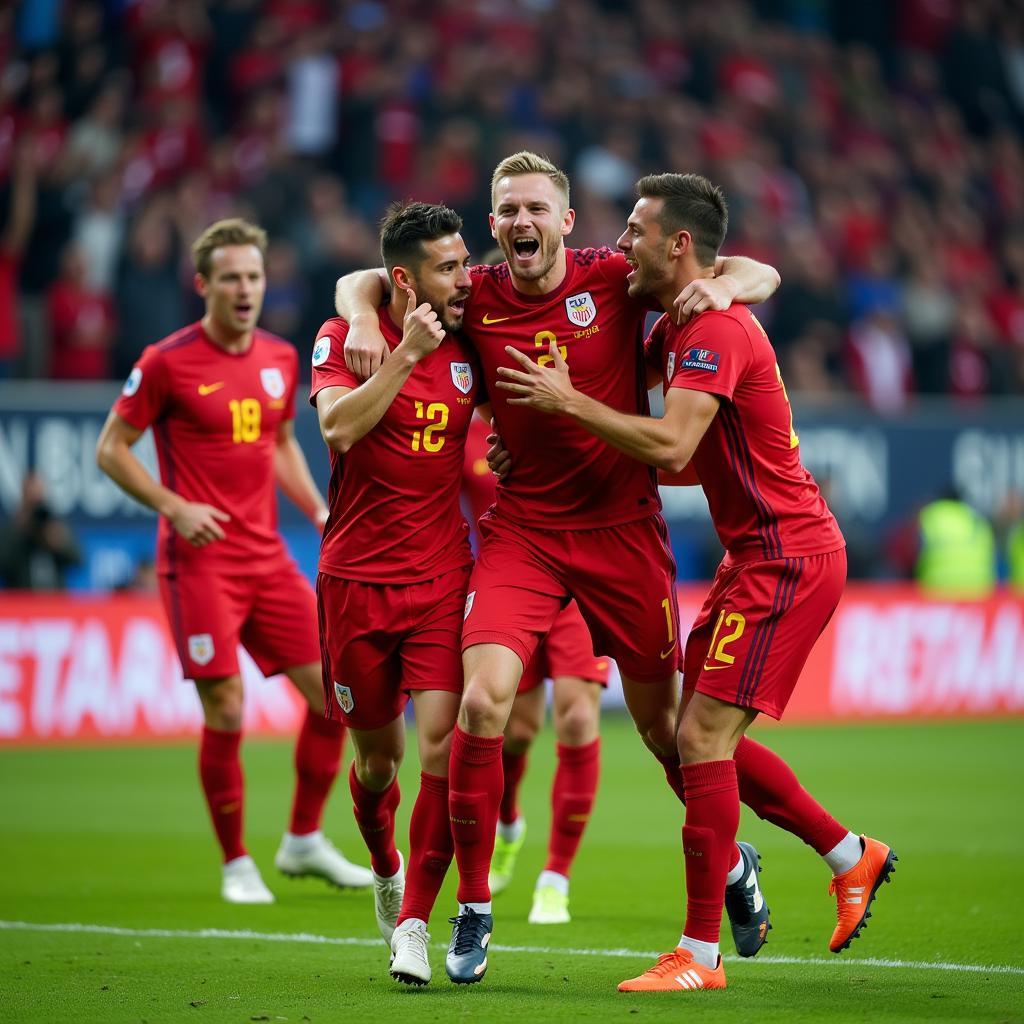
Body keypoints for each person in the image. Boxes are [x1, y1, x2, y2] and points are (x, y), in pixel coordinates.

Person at [335, 151, 781, 984]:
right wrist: (362, 316)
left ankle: (731, 866)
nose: (520, 224)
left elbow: (751, 266)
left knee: (665, 734)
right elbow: (375, 277)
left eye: (535, 208)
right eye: (505, 212)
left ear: (567, 222)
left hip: (622, 534)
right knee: (482, 700)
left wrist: (730, 286)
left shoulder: (615, 277)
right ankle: (473, 910)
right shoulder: (475, 295)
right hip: (526, 532)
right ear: (494, 223)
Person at [496, 172, 896, 993]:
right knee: (691, 737)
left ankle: (700, 956)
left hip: (787, 556)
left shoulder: (713, 329)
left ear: (678, 244)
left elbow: (674, 450)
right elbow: (678, 448)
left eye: (638, 230)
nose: (623, 243)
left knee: (704, 740)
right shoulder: (681, 324)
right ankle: (850, 855)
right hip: (757, 554)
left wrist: (568, 404)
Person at [95, 217, 371, 904]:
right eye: (231, 279)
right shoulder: (166, 361)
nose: (246, 289)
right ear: (204, 285)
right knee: (228, 706)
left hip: (267, 557)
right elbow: (111, 449)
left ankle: (303, 838)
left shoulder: (280, 357)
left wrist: (317, 509)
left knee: (337, 700)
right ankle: (235, 862)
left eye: (253, 276)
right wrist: (173, 506)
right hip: (200, 563)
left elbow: (280, 445)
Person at [312, 201, 495, 987]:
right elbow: (337, 431)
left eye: (463, 263)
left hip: (441, 577)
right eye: (449, 268)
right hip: (354, 580)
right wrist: (393, 349)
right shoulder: (343, 338)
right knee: (379, 764)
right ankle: (384, 861)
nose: (465, 279)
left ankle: (416, 920)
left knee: (441, 750)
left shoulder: (469, 337)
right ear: (403, 280)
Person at [463, 415, 609, 926]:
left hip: (580, 577)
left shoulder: (564, 402)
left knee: (575, 718)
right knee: (516, 731)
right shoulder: (462, 423)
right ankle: (508, 825)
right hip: (511, 583)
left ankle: (555, 879)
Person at [0, 471, 81, 589]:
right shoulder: (14, 529)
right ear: (23, 498)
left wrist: (59, 543)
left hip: (55, 602)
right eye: (32, 501)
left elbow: (77, 559)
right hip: (22, 602)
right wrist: (20, 531)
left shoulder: (52, 525)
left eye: (39, 499)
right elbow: (4, 564)